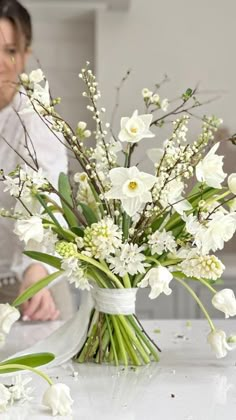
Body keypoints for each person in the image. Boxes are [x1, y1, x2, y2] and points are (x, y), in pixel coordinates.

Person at [0, 0, 76, 320]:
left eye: (10, 50)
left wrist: (37, 266)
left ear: (26, 54)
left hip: (30, 287)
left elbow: (51, 201)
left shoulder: (36, 119)